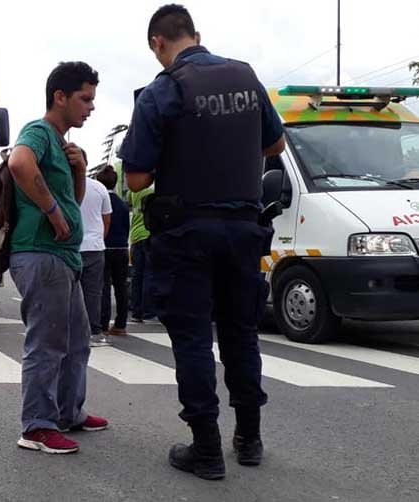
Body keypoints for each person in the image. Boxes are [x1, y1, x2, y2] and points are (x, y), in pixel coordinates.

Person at [119, 4, 285, 480]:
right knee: (240, 334)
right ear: (196, 34)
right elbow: (275, 146)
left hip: (187, 232)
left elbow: (134, 178)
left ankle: (206, 450)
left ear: (158, 43)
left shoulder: (163, 90)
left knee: (192, 338)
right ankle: (248, 439)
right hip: (242, 230)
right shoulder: (246, 77)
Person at [7, 61, 108, 455]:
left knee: (77, 341)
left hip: (63, 258)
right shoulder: (39, 132)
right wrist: (49, 210)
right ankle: (36, 426)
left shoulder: (63, 145)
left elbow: (73, 204)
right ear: (59, 97)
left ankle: (68, 413)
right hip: (41, 254)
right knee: (47, 344)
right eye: (85, 98)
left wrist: (79, 172)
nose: (91, 107)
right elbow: (18, 163)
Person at [96, 166, 131, 337]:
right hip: (122, 248)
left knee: (104, 287)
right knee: (121, 286)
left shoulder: (100, 201)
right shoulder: (123, 205)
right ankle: (121, 324)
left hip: (105, 247)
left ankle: (103, 324)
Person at [79, 175, 112, 347]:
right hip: (94, 247)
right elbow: (106, 219)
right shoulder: (99, 187)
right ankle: (94, 332)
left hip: (70, 246)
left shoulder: (62, 183)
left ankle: (67, 330)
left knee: (65, 291)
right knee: (93, 293)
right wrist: (98, 238)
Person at [127, 184, 155, 322]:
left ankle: (136, 310)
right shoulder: (153, 190)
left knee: (137, 275)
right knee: (149, 273)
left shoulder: (134, 191)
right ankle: (148, 311)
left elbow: (128, 201)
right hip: (149, 234)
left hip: (135, 236)